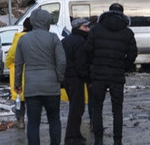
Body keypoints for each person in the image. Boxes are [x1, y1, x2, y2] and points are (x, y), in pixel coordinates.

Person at [85, 3, 138, 145]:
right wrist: (123, 67)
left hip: (98, 75)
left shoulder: (95, 30)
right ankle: (117, 141)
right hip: (117, 76)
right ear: (123, 14)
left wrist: (93, 66)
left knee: (97, 107)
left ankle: (98, 139)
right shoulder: (127, 32)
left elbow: (88, 51)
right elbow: (133, 54)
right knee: (117, 109)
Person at [15, 8, 66, 145]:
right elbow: (61, 61)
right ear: (47, 21)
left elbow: (18, 65)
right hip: (51, 86)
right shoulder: (53, 38)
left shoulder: (23, 40)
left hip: (31, 88)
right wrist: (60, 78)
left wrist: (17, 84)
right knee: (54, 120)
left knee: (33, 123)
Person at [61, 18, 91, 145]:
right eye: (86, 27)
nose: (88, 29)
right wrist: (87, 76)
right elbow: (80, 63)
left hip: (67, 77)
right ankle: (71, 137)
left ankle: (76, 134)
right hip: (76, 78)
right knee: (76, 108)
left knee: (76, 107)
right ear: (79, 27)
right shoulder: (80, 42)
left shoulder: (66, 40)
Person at [6, 18, 33, 129]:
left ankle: (20, 120)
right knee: (32, 99)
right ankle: (32, 120)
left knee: (19, 98)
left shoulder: (19, 38)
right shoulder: (36, 37)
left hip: (19, 72)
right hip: (33, 72)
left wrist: (9, 65)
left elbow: (11, 55)